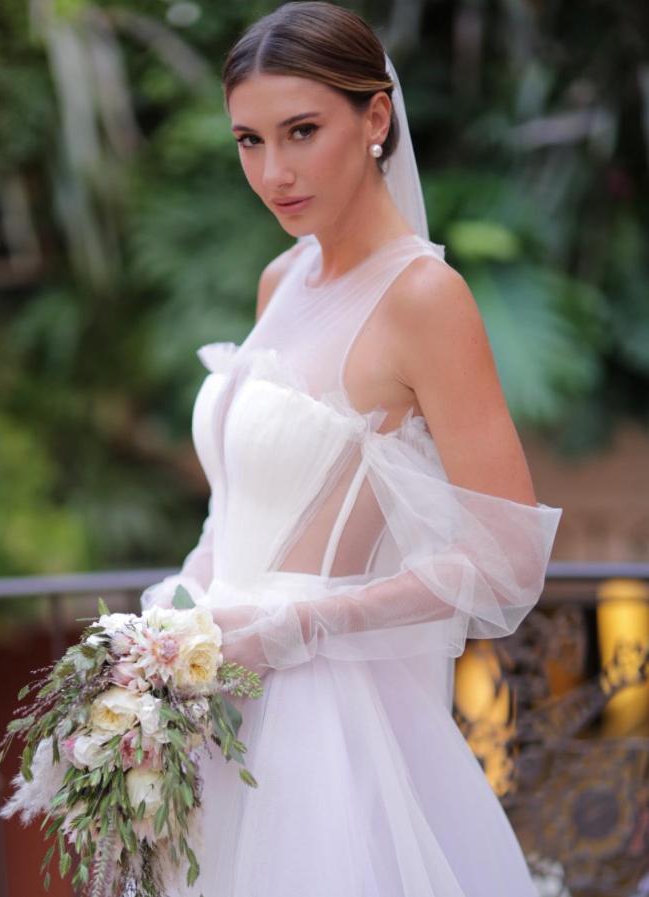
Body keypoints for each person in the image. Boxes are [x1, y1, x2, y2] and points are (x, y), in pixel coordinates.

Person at [141, 3, 563, 895]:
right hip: (213, 701)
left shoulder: (424, 297)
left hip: (323, 718)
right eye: (250, 141)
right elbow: (238, 503)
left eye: (302, 131)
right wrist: (173, 618)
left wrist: (306, 624)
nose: (275, 172)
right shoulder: (282, 279)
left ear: (376, 118)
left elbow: (508, 553)